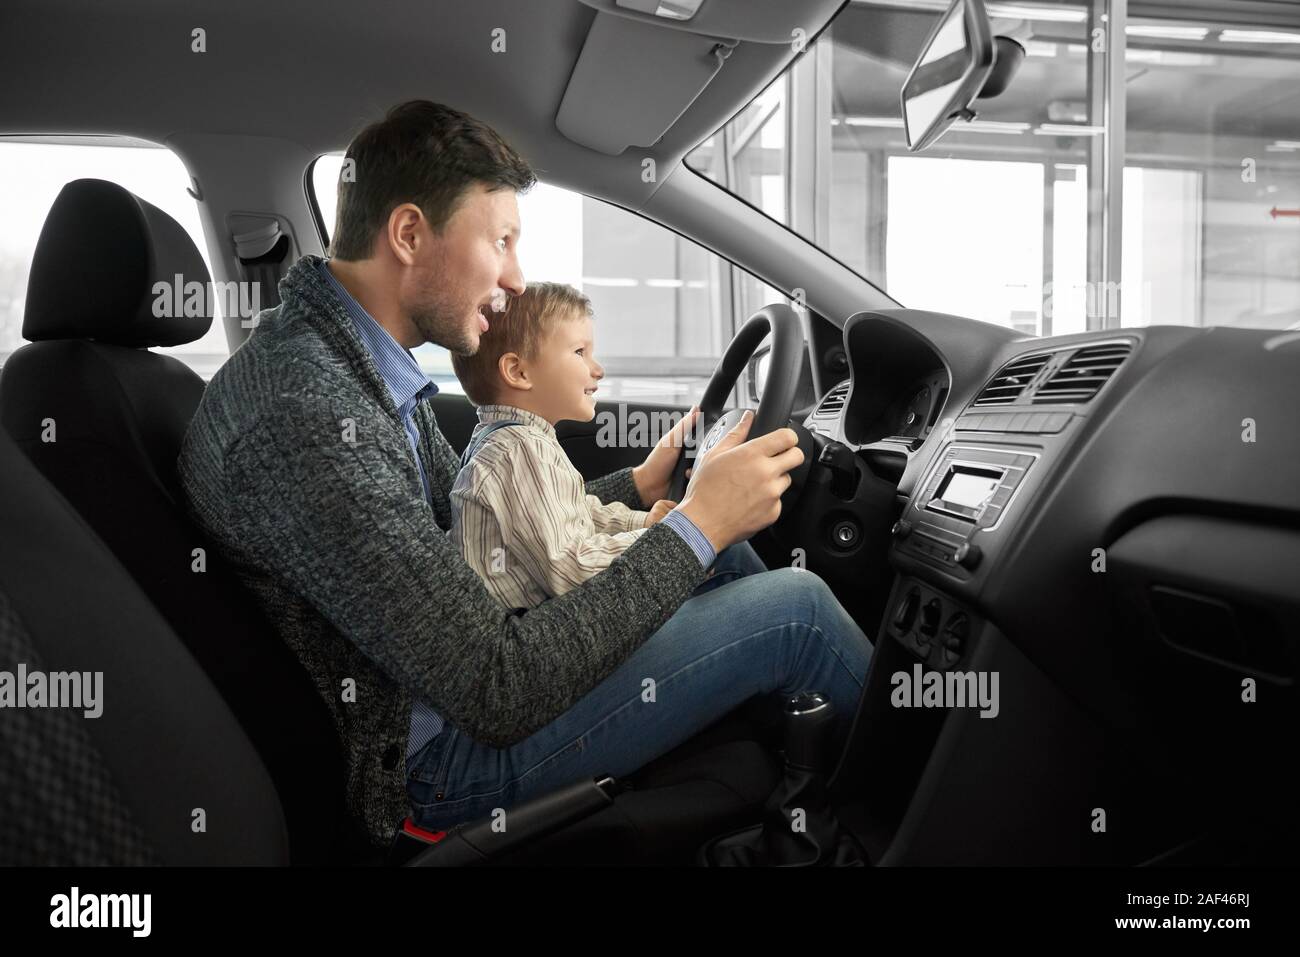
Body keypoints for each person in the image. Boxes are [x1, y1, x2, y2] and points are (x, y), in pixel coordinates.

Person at [177, 99, 874, 846]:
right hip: (440, 764)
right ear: (410, 233)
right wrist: (697, 522)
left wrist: (640, 488)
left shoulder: (356, 367)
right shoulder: (305, 414)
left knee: (729, 554)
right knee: (794, 607)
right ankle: (925, 821)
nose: (514, 277)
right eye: (501, 240)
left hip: (459, 684)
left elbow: (482, 512)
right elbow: (495, 686)